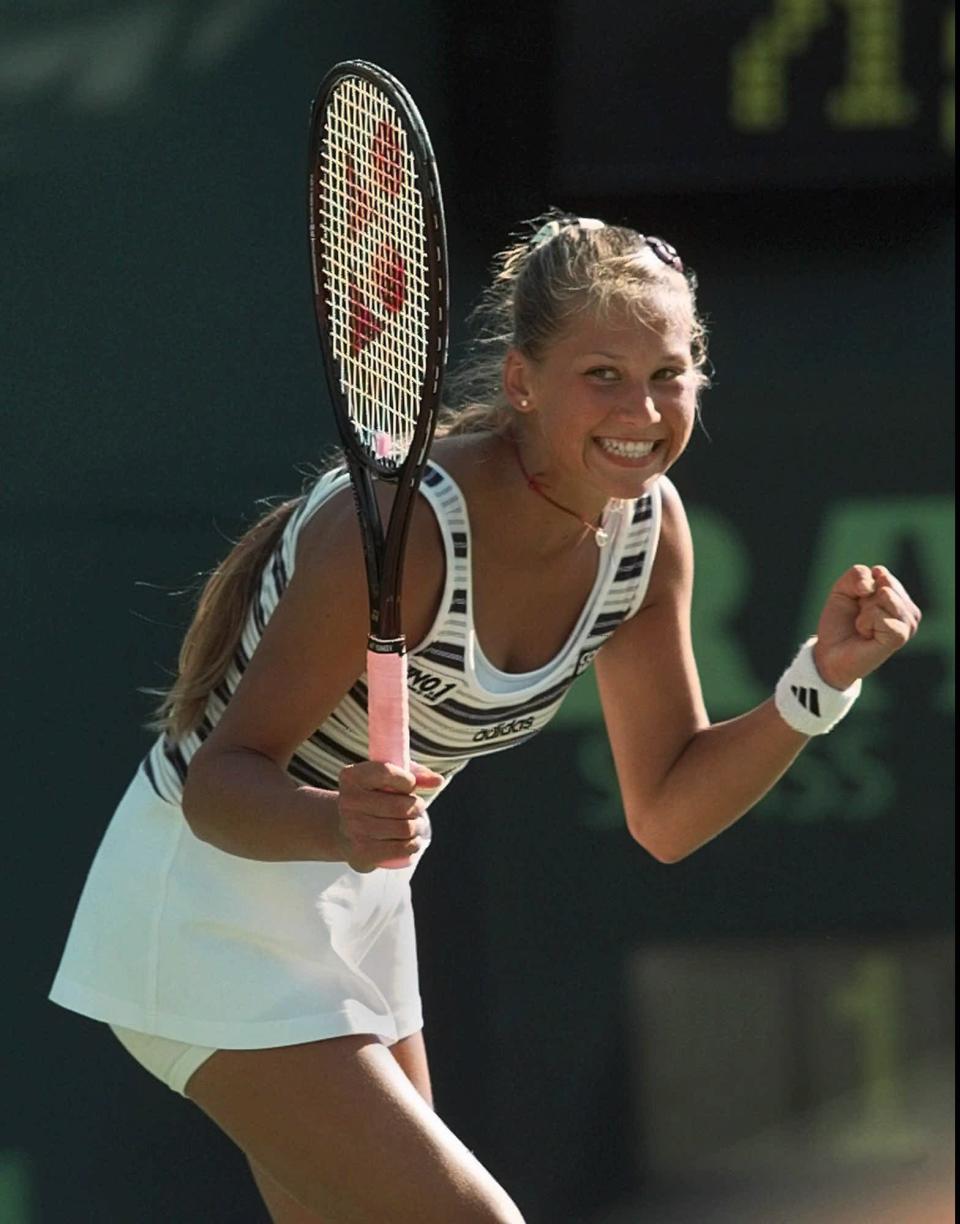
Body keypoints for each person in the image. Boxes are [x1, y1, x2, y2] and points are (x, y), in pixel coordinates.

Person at [49, 214, 921, 1224]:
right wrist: (334, 821)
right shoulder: (402, 532)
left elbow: (669, 808)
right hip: (205, 907)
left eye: (670, 374)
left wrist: (819, 682)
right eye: (603, 374)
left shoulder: (651, 532)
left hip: (360, 902)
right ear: (521, 382)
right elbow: (219, 785)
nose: (642, 409)